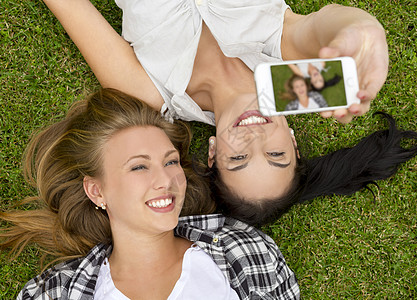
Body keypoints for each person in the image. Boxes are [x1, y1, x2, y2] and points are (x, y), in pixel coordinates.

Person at [41, 0, 390, 204]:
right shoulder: (290, 66)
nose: (255, 141)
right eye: (275, 154)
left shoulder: (150, 93)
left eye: (238, 158)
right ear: (293, 142)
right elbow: (322, 25)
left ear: (212, 154)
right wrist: (364, 29)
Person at [0, 89, 300, 299]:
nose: (165, 180)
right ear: (96, 190)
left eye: (170, 161)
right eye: (139, 167)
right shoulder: (52, 293)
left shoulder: (247, 251)